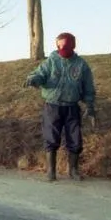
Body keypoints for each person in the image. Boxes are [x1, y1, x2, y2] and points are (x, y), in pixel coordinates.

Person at [23, 32, 96, 181]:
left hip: (72, 107)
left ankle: (73, 170)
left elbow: (88, 88)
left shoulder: (81, 65)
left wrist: (90, 106)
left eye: (66, 45)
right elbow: (39, 74)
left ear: (73, 45)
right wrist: (33, 79)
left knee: (75, 138)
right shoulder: (51, 61)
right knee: (51, 137)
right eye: (59, 45)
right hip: (52, 106)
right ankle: (51, 170)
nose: (62, 48)